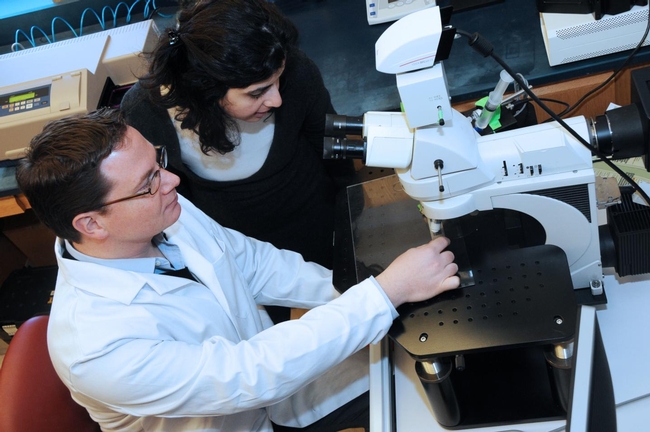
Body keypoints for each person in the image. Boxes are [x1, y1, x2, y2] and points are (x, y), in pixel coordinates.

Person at [16, 108, 460, 432]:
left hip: (278, 390)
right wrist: (383, 293)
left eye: (158, 164)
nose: (171, 182)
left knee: (434, 380)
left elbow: (256, 264)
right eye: (148, 182)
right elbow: (245, 375)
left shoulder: (159, 208)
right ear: (91, 224)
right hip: (243, 406)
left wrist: (359, 289)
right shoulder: (95, 347)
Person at [121, 0, 356, 322]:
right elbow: (174, 208)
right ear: (205, 90)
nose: (276, 99)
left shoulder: (294, 71)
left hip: (319, 224)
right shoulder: (145, 112)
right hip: (237, 253)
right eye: (257, 93)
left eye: (278, 82)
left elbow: (331, 148)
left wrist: (353, 220)